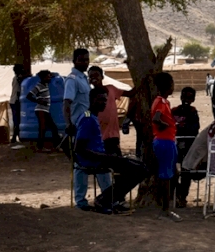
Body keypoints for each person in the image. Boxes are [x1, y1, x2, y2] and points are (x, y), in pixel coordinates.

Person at [75, 87, 149, 214]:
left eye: (105, 100)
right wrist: (105, 157)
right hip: (93, 160)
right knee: (139, 170)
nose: (103, 103)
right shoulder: (88, 118)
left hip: (101, 157)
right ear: (92, 100)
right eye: (100, 100)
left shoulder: (93, 117)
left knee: (139, 167)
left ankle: (110, 198)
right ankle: (106, 199)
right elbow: (80, 148)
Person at [64, 48, 112, 210]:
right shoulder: (72, 79)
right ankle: (81, 202)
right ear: (74, 61)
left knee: (97, 158)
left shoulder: (84, 78)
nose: (85, 63)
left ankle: (107, 197)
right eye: (81, 60)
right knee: (80, 164)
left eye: (86, 60)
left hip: (90, 120)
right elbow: (66, 103)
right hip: (79, 124)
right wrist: (68, 124)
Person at [150, 72, 183, 222]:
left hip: (166, 140)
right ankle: (165, 210)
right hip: (164, 140)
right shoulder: (162, 102)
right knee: (166, 175)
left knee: (171, 173)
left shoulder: (161, 102)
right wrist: (168, 125)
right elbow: (156, 119)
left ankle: (165, 207)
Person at [88, 66, 134, 156]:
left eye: (96, 75)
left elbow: (129, 94)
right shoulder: (90, 94)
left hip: (113, 134)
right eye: (91, 76)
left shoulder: (111, 89)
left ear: (102, 77)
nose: (94, 78)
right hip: (100, 135)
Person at [172, 87, 201, 208]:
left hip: (189, 145)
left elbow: (195, 129)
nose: (186, 100)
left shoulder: (193, 112)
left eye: (189, 98)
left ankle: (182, 196)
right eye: (184, 97)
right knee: (173, 171)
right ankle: (174, 194)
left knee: (186, 172)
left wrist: (181, 127)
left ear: (193, 99)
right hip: (175, 144)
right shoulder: (174, 111)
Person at [27, 70, 61, 152]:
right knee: (43, 128)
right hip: (40, 110)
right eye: (47, 77)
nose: (49, 78)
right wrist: (39, 101)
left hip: (45, 110)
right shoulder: (39, 86)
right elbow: (29, 96)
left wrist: (51, 74)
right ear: (43, 78)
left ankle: (55, 146)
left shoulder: (45, 84)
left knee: (53, 128)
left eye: (50, 76)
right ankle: (40, 147)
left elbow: (50, 76)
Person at [10, 64, 29, 143]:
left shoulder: (15, 78)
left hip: (13, 101)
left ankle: (16, 137)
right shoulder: (18, 78)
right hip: (15, 101)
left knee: (16, 120)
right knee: (18, 120)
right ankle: (15, 137)